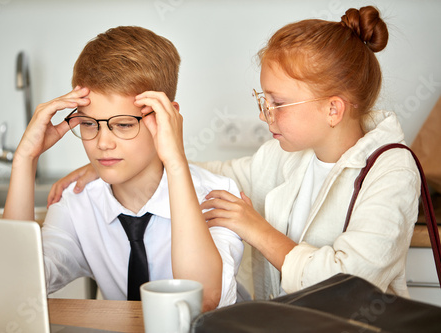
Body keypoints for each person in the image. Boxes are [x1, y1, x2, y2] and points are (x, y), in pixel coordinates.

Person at [48, 6, 422, 300]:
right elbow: (206, 174)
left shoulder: (392, 170)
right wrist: (113, 163)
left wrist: (256, 229)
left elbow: (351, 284)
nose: (264, 114)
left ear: (333, 109)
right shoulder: (284, 158)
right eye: (263, 99)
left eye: (278, 102)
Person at [3, 26, 243, 310]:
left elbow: (203, 299)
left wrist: (175, 160)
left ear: (167, 117)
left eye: (124, 125)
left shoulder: (217, 196)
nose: (102, 143)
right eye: (89, 124)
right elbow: (15, 285)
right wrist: (25, 159)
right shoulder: (77, 202)